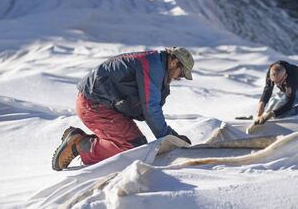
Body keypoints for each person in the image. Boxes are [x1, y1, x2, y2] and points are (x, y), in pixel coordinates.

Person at [52, 47, 194, 171]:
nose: (178, 78)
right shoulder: (154, 66)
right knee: (131, 149)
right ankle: (78, 145)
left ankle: (84, 141)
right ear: (174, 62)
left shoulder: (154, 62)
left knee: (138, 146)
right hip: (94, 105)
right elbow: (151, 108)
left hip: (102, 104)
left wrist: (170, 136)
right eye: (181, 74)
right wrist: (170, 139)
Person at [256, 60, 298, 130]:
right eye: (275, 82)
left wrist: (272, 113)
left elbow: (289, 103)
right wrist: (262, 103)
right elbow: (268, 89)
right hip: (288, 91)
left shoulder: (292, 77)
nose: (277, 85)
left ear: (285, 76)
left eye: (279, 82)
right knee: (277, 114)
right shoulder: (272, 71)